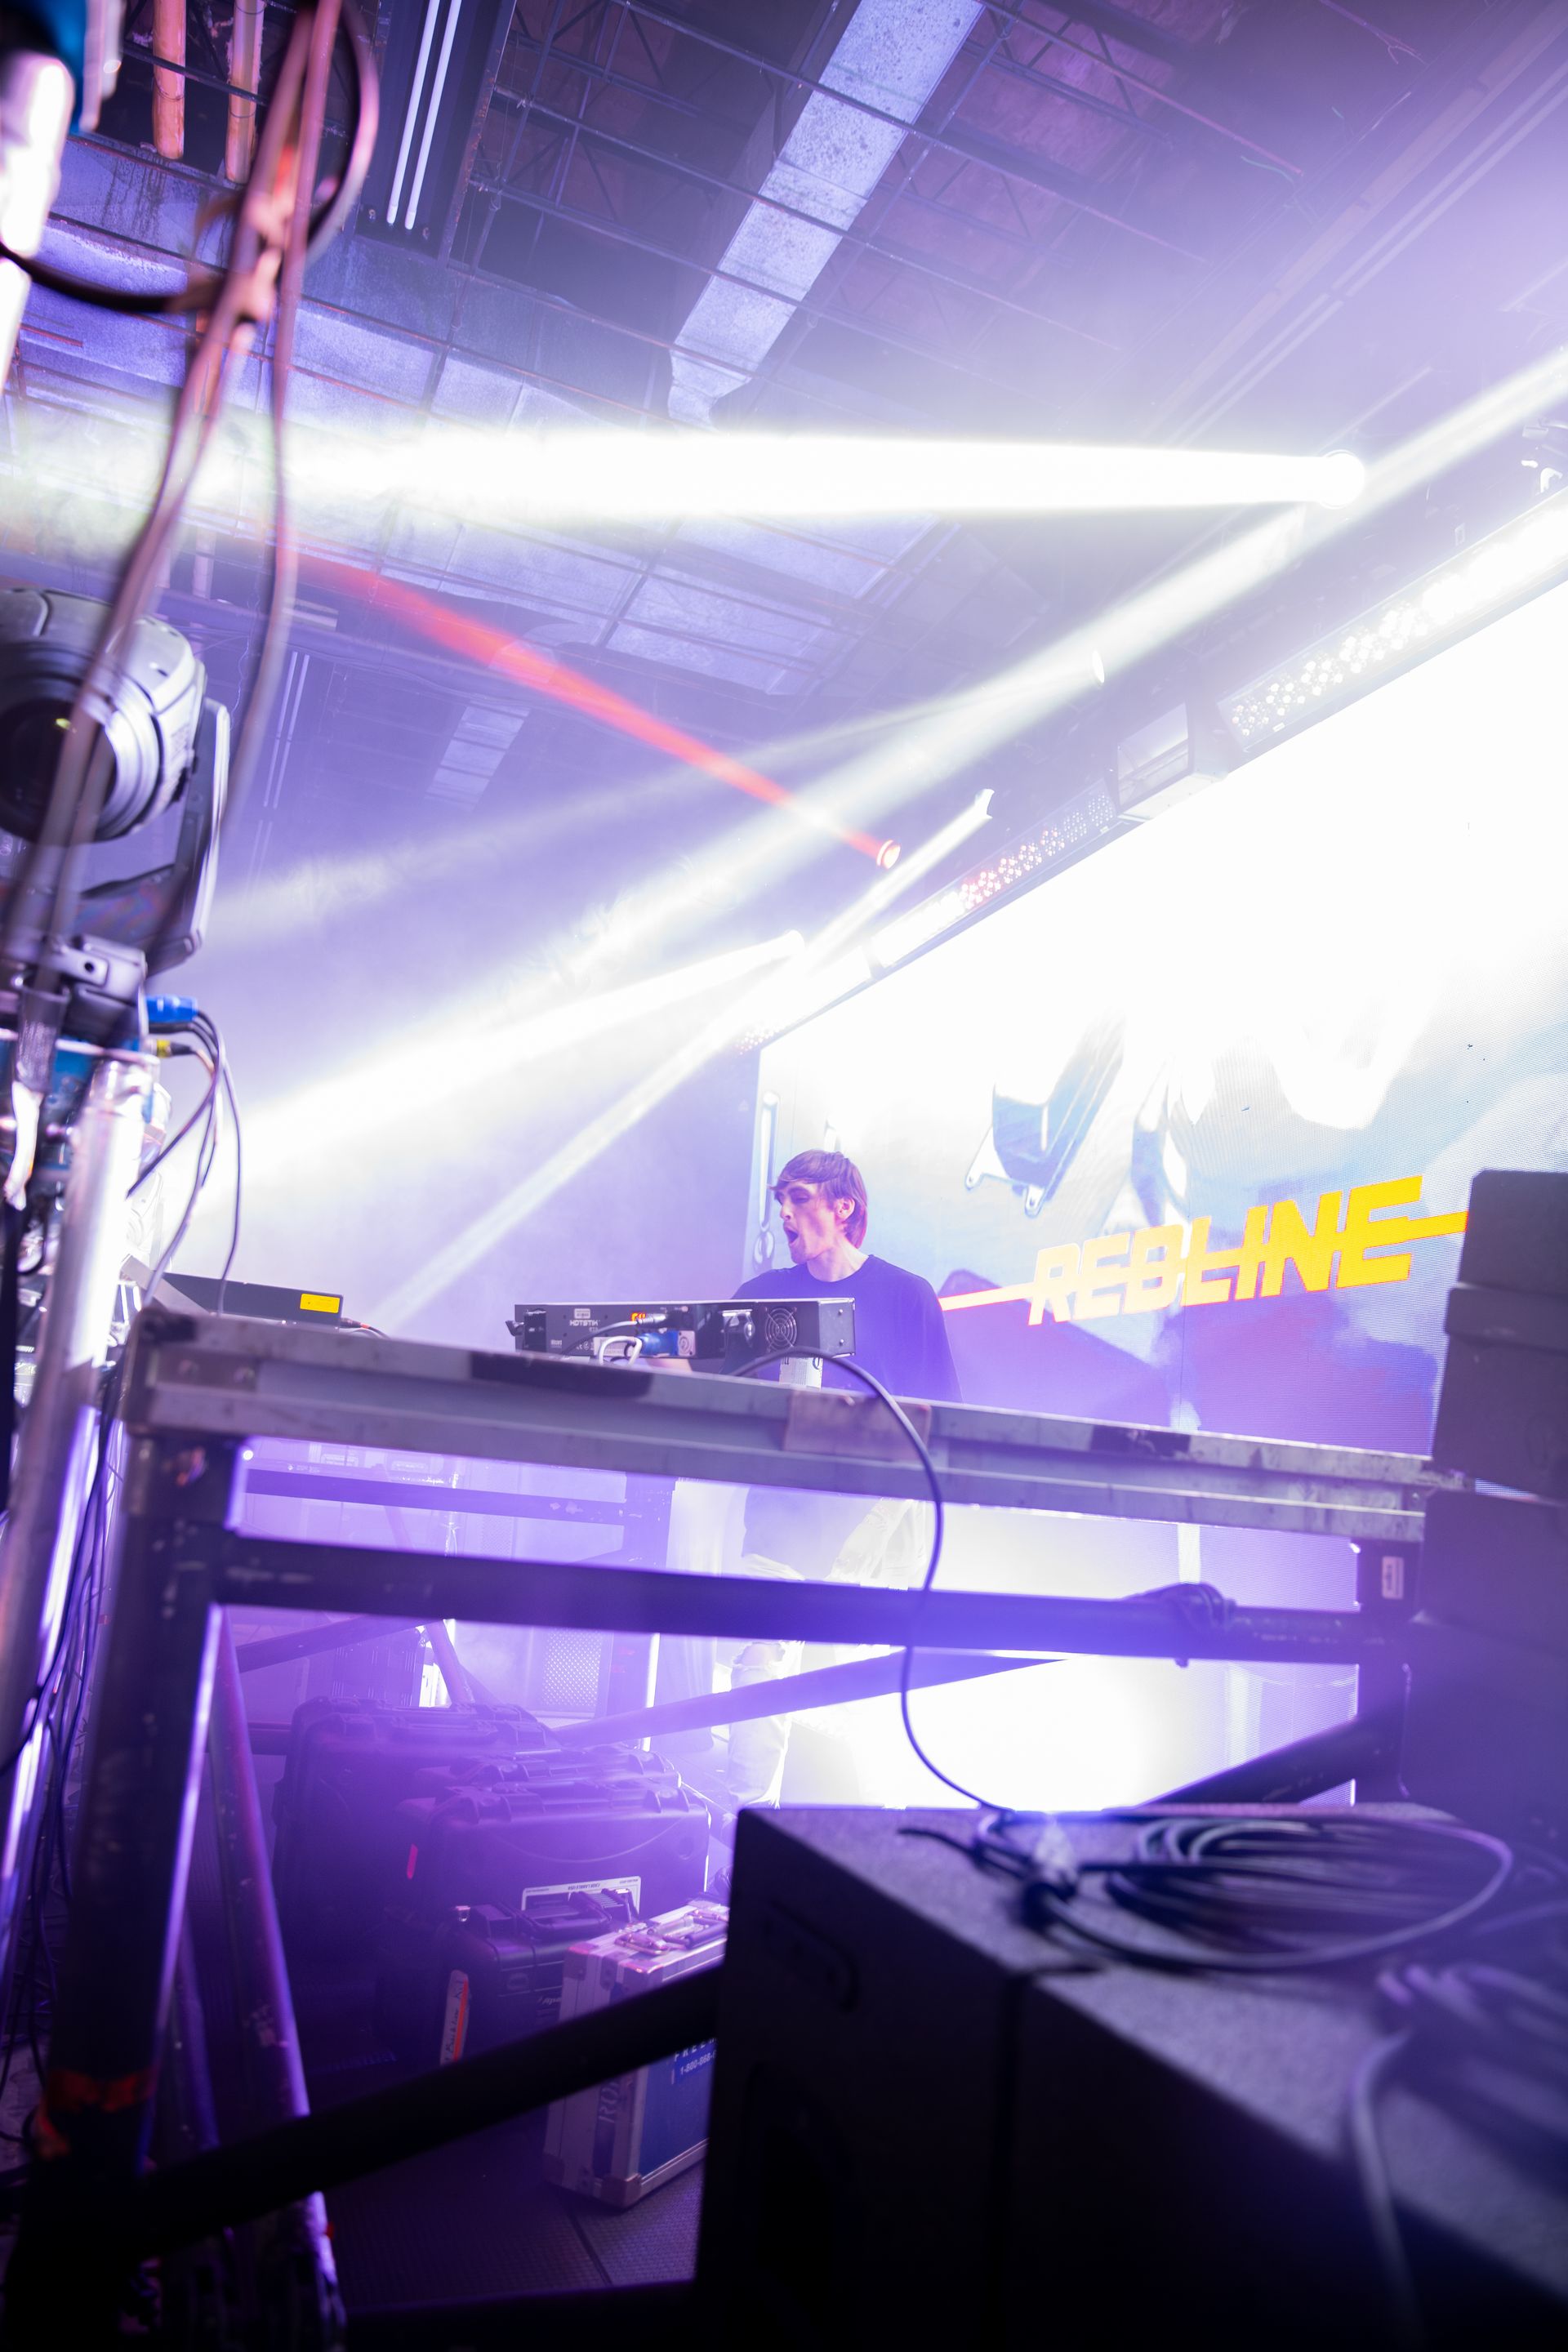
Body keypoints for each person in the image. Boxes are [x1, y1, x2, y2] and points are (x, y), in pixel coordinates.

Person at [733, 1149, 961, 1406]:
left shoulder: (907, 1295)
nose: (784, 1211)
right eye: (781, 1200)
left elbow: (943, 1411)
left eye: (799, 1198)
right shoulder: (759, 1295)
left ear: (843, 1207)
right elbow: (712, 1392)